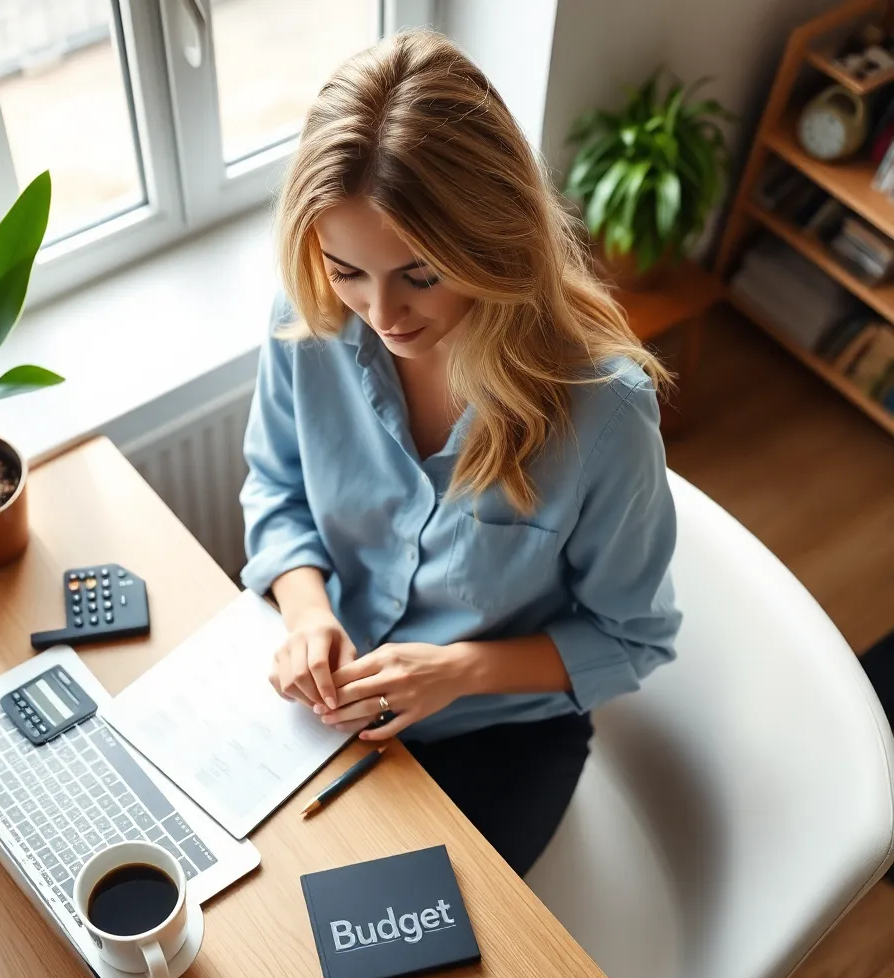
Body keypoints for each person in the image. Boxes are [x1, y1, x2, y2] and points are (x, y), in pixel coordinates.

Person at [239, 30, 682, 877]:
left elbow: (632, 639)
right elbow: (277, 487)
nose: (382, 313)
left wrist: (456, 672)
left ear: (493, 236)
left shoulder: (603, 415)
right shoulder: (307, 323)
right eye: (347, 271)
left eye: (421, 273)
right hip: (331, 701)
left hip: (499, 730)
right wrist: (307, 614)